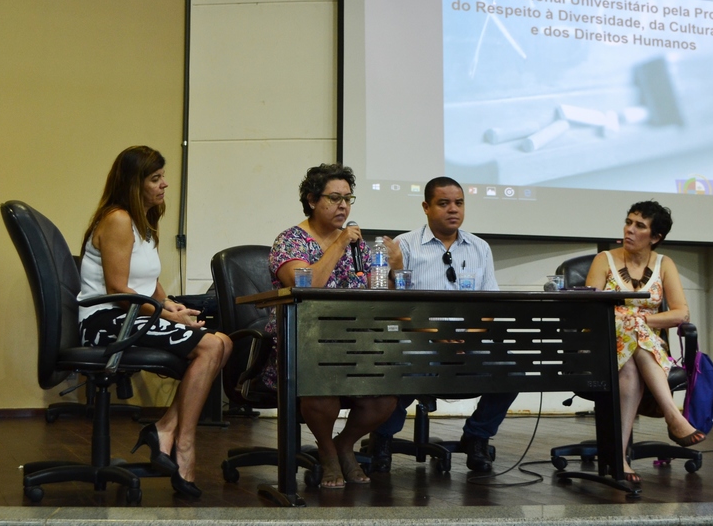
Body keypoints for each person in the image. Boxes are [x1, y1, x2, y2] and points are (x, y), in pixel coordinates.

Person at [78, 145, 232, 498]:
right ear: (135, 184)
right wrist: (164, 313)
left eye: (163, 177)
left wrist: (171, 306)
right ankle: (184, 444)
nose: (164, 185)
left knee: (223, 343)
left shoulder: (142, 223)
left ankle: (164, 428)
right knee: (210, 345)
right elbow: (119, 290)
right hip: (106, 320)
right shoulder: (117, 219)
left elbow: (148, 282)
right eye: (155, 178)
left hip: (131, 313)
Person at [367, 176, 518, 473]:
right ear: (426, 206)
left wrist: (467, 336)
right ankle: (382, 438)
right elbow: (394, 306)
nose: (453, 210)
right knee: (399, 364)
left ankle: (477, 437)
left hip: (467, 343)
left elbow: (490, 306)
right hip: (418, 340)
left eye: (459, 203)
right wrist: (435, 336)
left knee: (512, 368)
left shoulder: (479, 247)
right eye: (444, 203)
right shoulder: (404, 245)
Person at [264, 163, 397, 489]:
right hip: (303, 342)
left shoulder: (358, 247)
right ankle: (326, 451)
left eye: (348, 198)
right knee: (320, 381)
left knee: (387, 393)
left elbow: (381, 296)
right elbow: (303, 287)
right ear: (311, 200)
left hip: (354, 341)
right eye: (334, 198)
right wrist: (337, 244)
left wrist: (395, 268)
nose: (343, 206)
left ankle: (343, 444)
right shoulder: (291, 241)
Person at [585, 200, 706, 485]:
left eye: (639, 226)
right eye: (628, 222)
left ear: (655, 237)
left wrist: (642, 322)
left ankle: (618, 455)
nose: (629, 229)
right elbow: (587, 309)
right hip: (603, 344)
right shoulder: (604, 259)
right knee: (629, 335)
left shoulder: (665, 264)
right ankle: (673, 416)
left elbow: (680, 313)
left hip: (646, 345)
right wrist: (628, 320)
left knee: (630, 365)